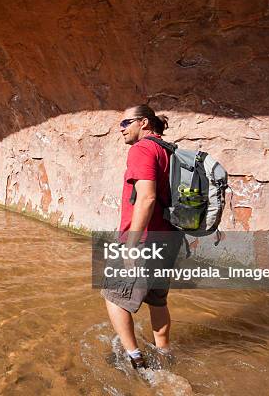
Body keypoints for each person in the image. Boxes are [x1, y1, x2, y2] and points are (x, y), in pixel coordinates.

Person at [101, 104, 182, 369]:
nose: (121, 129)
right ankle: (165, 354)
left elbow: (146, 197)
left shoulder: (142, 149)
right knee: (157, 300)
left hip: (143, 239)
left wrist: (130, 245)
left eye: (125, 123)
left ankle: (135, 358)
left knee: (113, 295)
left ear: (144, 123)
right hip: (168, 239)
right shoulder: (170, 151)